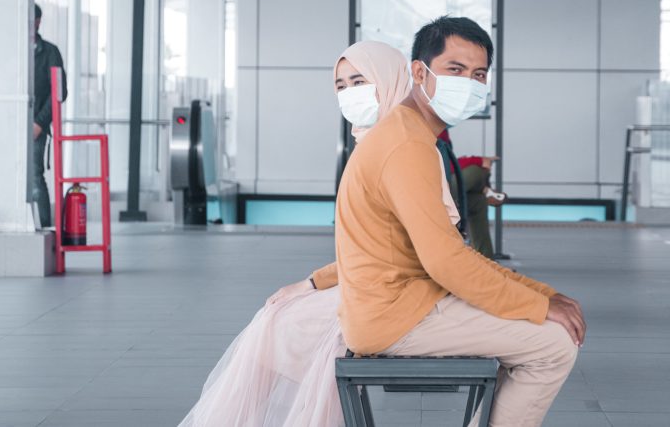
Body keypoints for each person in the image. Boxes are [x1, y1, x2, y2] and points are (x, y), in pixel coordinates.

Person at [178, 40, 463, 426]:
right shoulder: (373, 143)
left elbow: (410, 251)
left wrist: (312, 284)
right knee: (276, 316)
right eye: (341, 86)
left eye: (359, 81)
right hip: (383, 280)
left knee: (283, 323)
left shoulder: (407, 148)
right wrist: (312, 283)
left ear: (389, 80)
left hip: (401, 289)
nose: (349, 94)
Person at [334, 16, 586, 427]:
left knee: (536, 330)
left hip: (406, 302)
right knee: (555, 345)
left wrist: (543, 295)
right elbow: (446, 262)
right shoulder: (406, 145)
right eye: (455, 70)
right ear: (420, 72)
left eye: (479, 74)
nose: (468, 82)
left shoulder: (409, 135)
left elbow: (450, 251)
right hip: (394, 317)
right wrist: (540, 306)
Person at [31, 3, 66, 229]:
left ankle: (45, 229)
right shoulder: (13, 52)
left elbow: (59, 92)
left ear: (38, 22)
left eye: (33, 20)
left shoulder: (50, 52)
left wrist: (40, 123)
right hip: (11, 123)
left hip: (37, 125)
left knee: (35, 176)